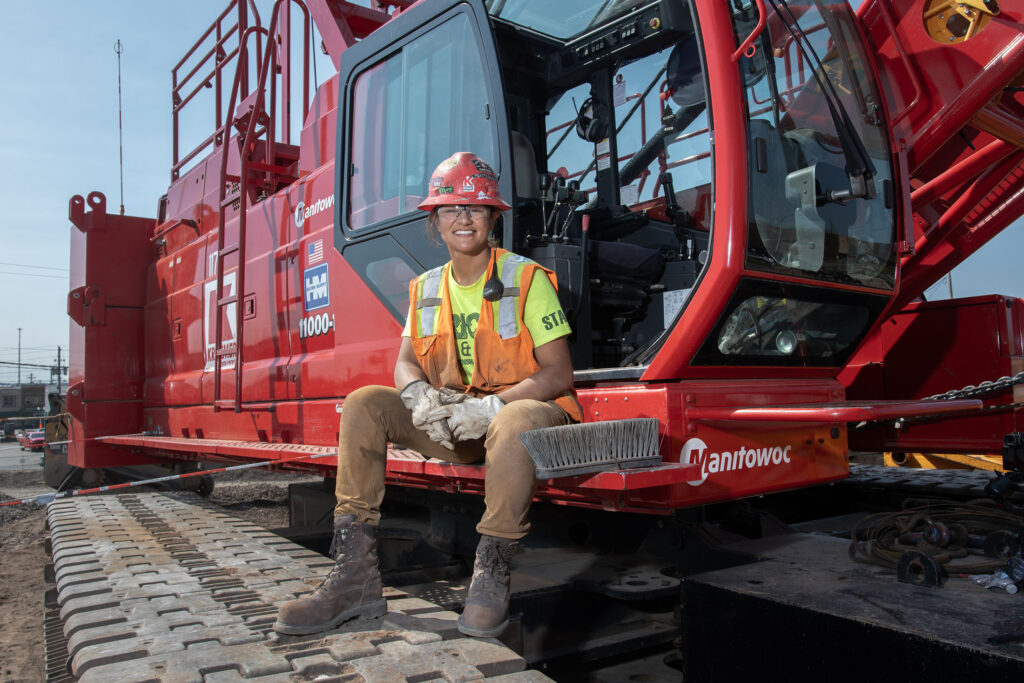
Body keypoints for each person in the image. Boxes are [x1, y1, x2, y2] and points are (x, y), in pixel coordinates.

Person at [274, 152, 583, 638]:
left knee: (516, 418)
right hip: (462, 425)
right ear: (435, 222)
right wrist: (418, 394)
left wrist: (491, 407)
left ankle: (492, 573)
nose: (464, 218)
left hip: (530, 421)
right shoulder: (425, 289)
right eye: (451, 209)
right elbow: (405, 362)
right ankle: (354, 576)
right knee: (364, 404)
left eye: (476, 208)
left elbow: (558, 373)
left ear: (492, 218)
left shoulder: (526, 278)